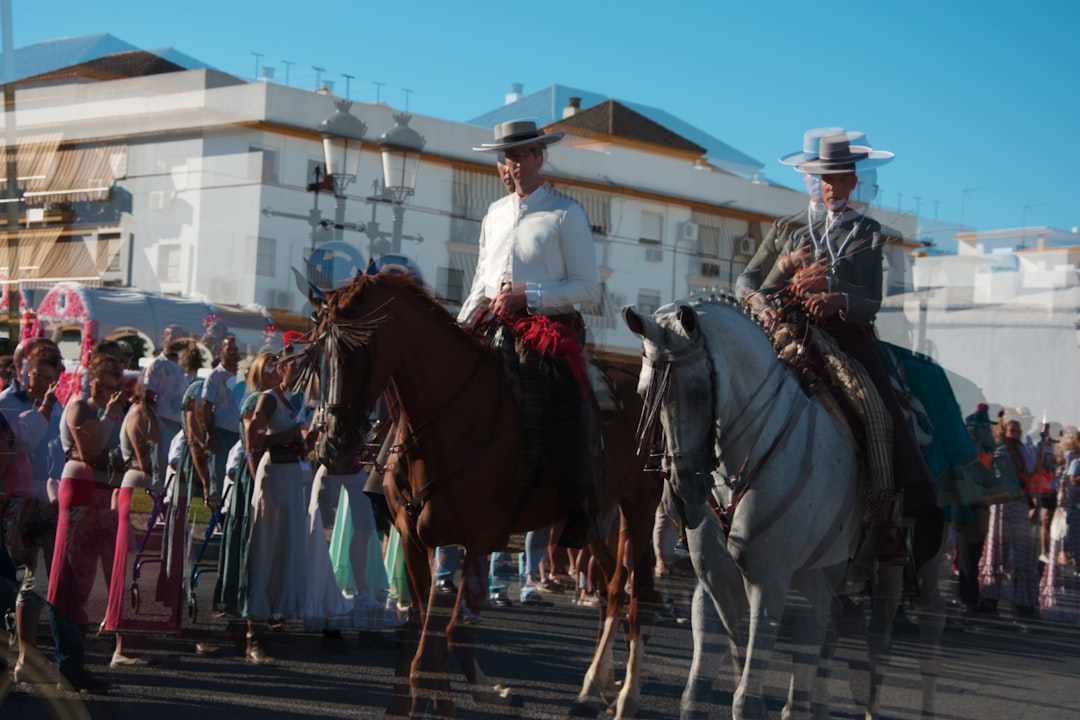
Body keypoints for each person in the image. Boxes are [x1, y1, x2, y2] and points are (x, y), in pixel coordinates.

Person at [756, 133, 942, 570]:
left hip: (846, 338)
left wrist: (837, 296)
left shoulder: (867, 231)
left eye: (837, 178)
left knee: (878, 412)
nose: (829, 186)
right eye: (821, 178)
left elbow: (872, 299)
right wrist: (781, 274)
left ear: (853, 180)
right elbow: (749, 283)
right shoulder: (787, 229)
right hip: (789, 331)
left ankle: (885, 508)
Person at [461, 119, 603, 549]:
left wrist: (531, 295)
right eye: (508, 156)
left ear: (540, 157)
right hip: (493, 325)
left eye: (523, 154)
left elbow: (589, 290)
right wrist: (458, 328)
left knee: (564, 395)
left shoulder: (566, 214)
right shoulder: (494, 213)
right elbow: (480, 286)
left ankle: (575, 498)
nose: (515, 163)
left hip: (546, 330)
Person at [242, 351, 346, 662]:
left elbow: (297, 445)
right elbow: (253, 443)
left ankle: (274, 613)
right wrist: (265, 494)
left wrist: (311, 436)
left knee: (285, 547)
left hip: (291, 479)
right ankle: (252, 636)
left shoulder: (289, 401)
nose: (299, 374)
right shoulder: (268, 400)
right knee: (265, 548)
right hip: (272, 479)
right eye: (295, 367)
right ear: (282, 369)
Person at [47, 355, 125, 633]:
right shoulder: (79, 407)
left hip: (106, 491)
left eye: (111, 388)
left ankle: (107, 620)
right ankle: (69, 621)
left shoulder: (115, 412)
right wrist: (108, 416)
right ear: (90, 380)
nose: (105, 393)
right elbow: (90, 451)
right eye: (101, 386)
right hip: (81, 487)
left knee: (106, 556)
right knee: (77, 558)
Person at [0, 343, 63, 681]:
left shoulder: (54, 402)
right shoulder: (5, 405)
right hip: (16, 503)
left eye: (51, 374)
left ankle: (30, 653)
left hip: (47, 500)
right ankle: (23, 654)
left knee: (39, 580)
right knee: (20, 579)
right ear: (21, 368)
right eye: (40, 372)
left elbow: (57, 449)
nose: (45, 381)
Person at [101, 384, 161, 665]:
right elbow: (144, 457)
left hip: (140, 486)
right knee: (128, 563)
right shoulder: (139, 413)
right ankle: (120, 644)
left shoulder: (146, 413)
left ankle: (127, 637)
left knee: (136, 564)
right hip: (138, 486)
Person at [978, 418, 1040, 620]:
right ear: (1003, 431)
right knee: (998, 548)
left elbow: (1030, 474)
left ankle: (1023, 601)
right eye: (1011, 430)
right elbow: (1002, 474)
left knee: (1023, 549)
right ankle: (990, 598)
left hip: (1020, 501)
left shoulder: (1023, 451)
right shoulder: (1001, 451)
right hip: (1003, 501)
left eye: (1017, 430)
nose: (1014, 433)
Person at [142, 327, 187, 490]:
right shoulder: (157, 365)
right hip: (162, 421)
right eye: (171, 336)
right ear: (164, 339)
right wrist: (154, 425)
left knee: (177, 466)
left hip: (181, 425)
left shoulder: (184, 366)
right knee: (161, 466)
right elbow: (147, 398)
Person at [201, 334, 241, 508]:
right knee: (218, 475)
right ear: (221, 351)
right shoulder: (215, 377)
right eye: (229, 349)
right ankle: (216, 516)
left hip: (239, 435)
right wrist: (210, 434)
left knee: (235, 477)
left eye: (235, 349)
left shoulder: (242, 375)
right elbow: (207, 408)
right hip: (221, 433)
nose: (233, 353)